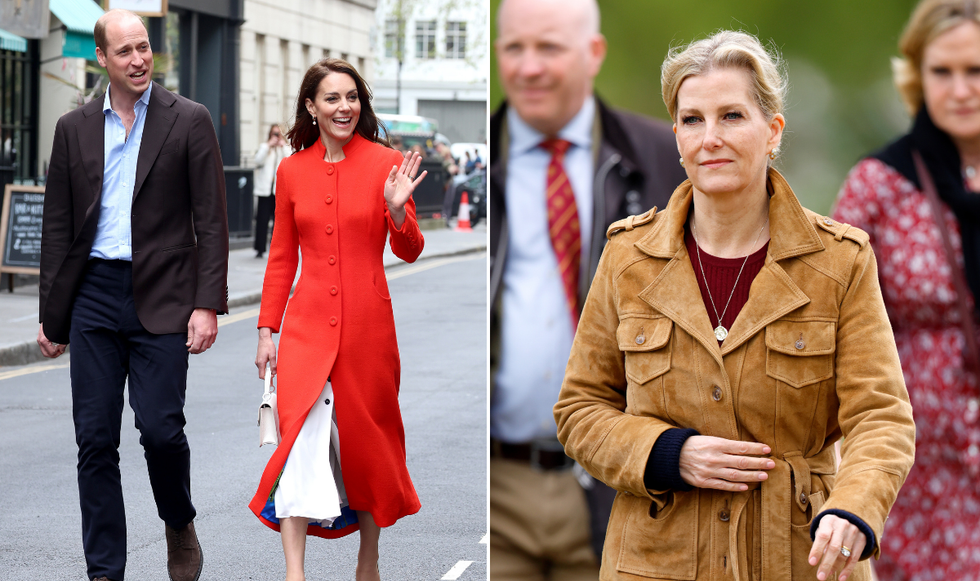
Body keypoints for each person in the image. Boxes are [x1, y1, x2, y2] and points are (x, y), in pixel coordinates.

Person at [553, 30, 917, 581]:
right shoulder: (627, 257)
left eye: (732, 116)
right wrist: (669, 452)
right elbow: (580, 410)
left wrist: (854, 509)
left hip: (800, 558)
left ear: (772, 132)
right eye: (693, 120)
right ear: (676, 136)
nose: (710, 138)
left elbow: (881, 417)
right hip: (655, 561)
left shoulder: (841, 262)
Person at [488, 0, 687, 577]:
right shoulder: (490, 155)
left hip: (625, 484)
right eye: (514, 48)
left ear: (593, 53)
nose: (528, 67)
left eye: (548, 47)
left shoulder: (665, 159)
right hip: (500, 483)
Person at [36, 9, 228, 581]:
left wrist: (206, 303)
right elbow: (57, 226)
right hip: (94, 294)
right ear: (103, 60)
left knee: (162, 430)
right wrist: (53, 314)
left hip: (165, 295)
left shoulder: (188, 119)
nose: (138, 59)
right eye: (125, 51)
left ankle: (178, 520)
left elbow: (212, 220)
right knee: (95, 441)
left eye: (143, 47)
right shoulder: (72, 129)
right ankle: (105, 572)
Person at [250, 58, 426, 581]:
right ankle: (294, 573)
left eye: (351, 97)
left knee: (365, 443)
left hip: (368, 328)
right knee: (298, 439)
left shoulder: (386, 163)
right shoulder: (290, 170)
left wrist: (397, 210)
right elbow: (281, 256)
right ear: (312, 106)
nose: (344, 107)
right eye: (332, 98)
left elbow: (411, 249)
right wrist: (267, 330)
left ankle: (367, 561)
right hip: (305, 327)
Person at [833, 1, 980, 577]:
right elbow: (834, 320)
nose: (961, 89)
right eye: (943, 72)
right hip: (918, 456)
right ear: (917, 76)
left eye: (976, 71)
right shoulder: (879, 183)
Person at [253, 123, 290, 258]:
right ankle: (260, 248)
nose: (276, 136)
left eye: (278, 133)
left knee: (278, 223)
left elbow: (291, 160)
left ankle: (276, 249)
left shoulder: (285, 149)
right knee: (261, 220)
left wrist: (283, 146)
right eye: (274, 133)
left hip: (279, 192)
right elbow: (257, 160)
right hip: (264, 190)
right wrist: (268, 145)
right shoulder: (265, 147)